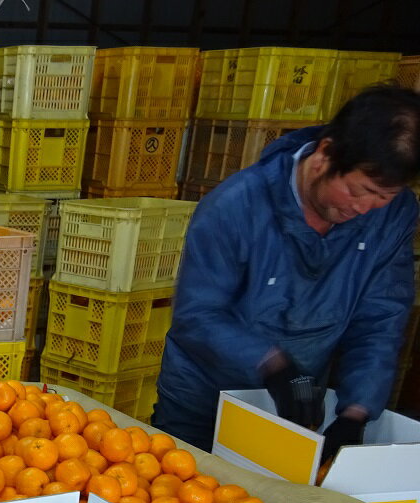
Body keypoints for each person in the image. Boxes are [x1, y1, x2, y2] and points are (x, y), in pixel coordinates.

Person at [152, 83, 420, 462]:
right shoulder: (237, 205)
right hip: (204, 398)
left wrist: (355, 412)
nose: (365, 208)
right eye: (358, 190)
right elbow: (198, 314)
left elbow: (381, 317)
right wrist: (273, 364)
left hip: (295, 407)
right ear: (325, 154)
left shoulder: (392, 217)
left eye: (384, 197)